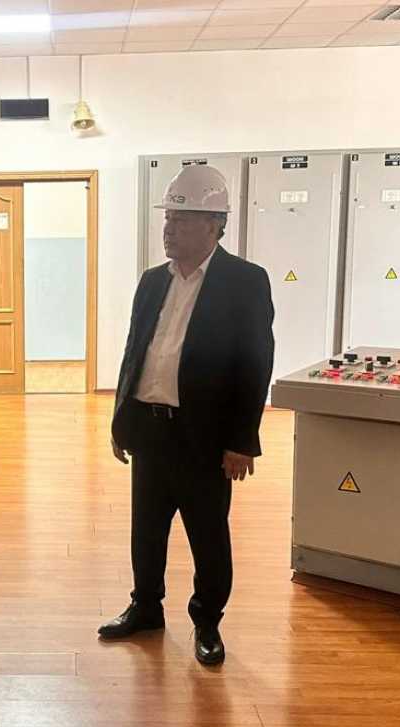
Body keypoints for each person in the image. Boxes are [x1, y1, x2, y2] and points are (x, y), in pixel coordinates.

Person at [99, 164, 274, 666]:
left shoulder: (245, 282)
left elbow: (255, 364)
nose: (168, 228)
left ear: (214, 224)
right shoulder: (153, 281)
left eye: (180, 219)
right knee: (146, 531)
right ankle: (145, 608)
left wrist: (241, 441)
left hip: (205, 437)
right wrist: (122, 420)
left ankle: (207, 621)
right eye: (168, 218)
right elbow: (135, 352)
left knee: (208, 535)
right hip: (150, 429)